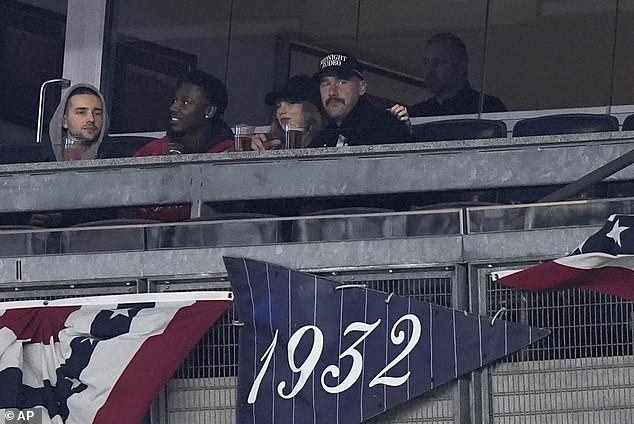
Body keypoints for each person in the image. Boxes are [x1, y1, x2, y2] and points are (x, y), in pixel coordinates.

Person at [311, 52, 410, 147]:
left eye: (342, 82)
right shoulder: (322, 137)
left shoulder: (384, 127)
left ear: (362, 87)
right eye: (325, 84)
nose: (332, 92)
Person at [135, 70, 234, 156]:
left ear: (209, 111)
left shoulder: (233, 154)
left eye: (186, 102)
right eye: (175, 100)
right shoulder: (154, 151)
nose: (173, 108)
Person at [407, 33, 506, 117]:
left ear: (461, 67)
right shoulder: (418, 113)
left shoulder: (488, 107)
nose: (430, 70)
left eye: (439, 62)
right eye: (426, 62)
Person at [250, 74, 323, 151]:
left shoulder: (327, 141)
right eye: (278, 106)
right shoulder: (273, 143)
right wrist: (258, 149)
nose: (281, 111)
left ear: (310, 108)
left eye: (290, 103)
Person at [48, 83, 108, 161]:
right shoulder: (41, 158)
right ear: (64, 121)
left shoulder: (119, 158)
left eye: (97, 113)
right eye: (81, 112)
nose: (91, 119)